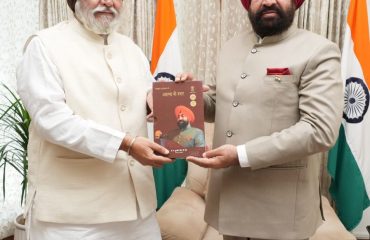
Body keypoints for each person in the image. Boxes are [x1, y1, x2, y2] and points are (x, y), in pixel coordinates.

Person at [180, 0, 344, 239]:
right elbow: (220, 104)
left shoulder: (319, 50)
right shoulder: (231, 47)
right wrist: (188, 96)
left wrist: (241, 155)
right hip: (229, 202)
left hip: (280, 211)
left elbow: (320, 130)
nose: (268, 1)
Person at [16, 0, 173, 239]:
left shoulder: (131, 48)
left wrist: (173, 96)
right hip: (72, 218)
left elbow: (146, 100)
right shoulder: (44, 45)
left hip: (139, 213)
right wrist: (127, 143)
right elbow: (52, 121)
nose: (109, 2)